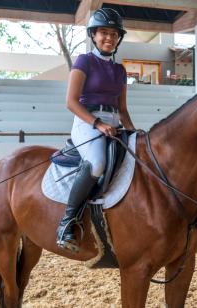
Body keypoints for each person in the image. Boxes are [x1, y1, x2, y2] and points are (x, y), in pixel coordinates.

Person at [57, 8, 135, 253]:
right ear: (94, 35)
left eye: (113, 34)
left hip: (114, 123)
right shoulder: (84, 61)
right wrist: (97, 124)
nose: (109, 38)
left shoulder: (120, 70)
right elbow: (71, 101)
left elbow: (122, 108)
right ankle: (67, 222)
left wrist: (134, 133)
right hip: (87, 122)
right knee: (97, 162)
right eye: (104, 32)